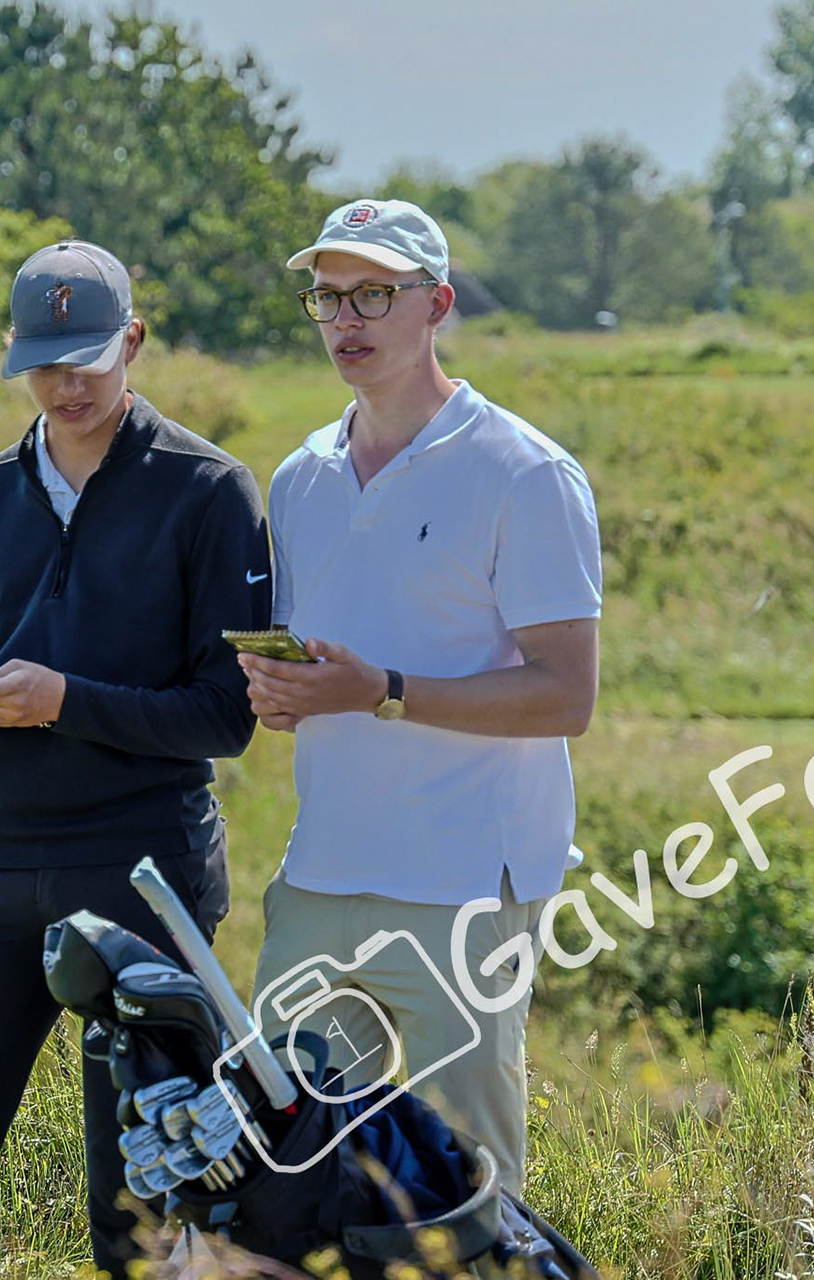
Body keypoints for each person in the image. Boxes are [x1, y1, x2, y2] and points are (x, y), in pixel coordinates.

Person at [0, 239, 273, 1278]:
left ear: (133, 339)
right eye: (43, 363)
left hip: (143, 870)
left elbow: (227, 713)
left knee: (135, 1196)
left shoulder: (210, 490)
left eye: (87, 358)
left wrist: (64, 700)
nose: (66, 384)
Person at [238, 200, 602, 1193]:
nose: (345, 319)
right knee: (286, 1158)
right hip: (323, 871)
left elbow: (566, 695)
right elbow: (331, 666)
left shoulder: (525, 473)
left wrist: (382, 692)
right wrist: (287, 692)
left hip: (465, 886)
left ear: (436, 303)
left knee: (465, 1179)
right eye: (326, 296)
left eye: (374, 294)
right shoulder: (300, 478)